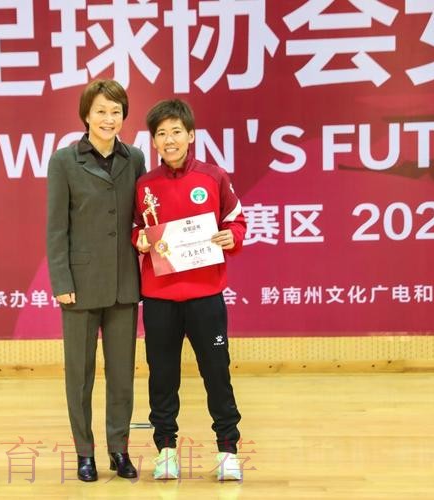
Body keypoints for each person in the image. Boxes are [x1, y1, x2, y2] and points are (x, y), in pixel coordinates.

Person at [133, 99, 246, 482]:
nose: (169, 140)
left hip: (205, 297)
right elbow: (135, 228)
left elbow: (236, 221)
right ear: (153, 141)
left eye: (176, 132)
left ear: (191, 135)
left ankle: (228, 450)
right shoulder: (144, 185)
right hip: (160, 299)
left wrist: (233, 236)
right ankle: (165, 450)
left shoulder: (214, 177)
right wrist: (139, 240)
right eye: (161, 134)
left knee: (217, 373)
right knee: (162, 377)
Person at [46, 79, 146, 482]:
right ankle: (84, 453)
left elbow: (143, 217)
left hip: (124, 283)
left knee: (122, 375)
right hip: (80, 286)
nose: (109, 118)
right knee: (80, 376)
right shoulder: (63, 161)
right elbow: (57, 228)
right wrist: (61, 280)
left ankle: (119, 449)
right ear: (86, 115)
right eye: (101, 111)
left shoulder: (134, 157)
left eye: (116, 111)